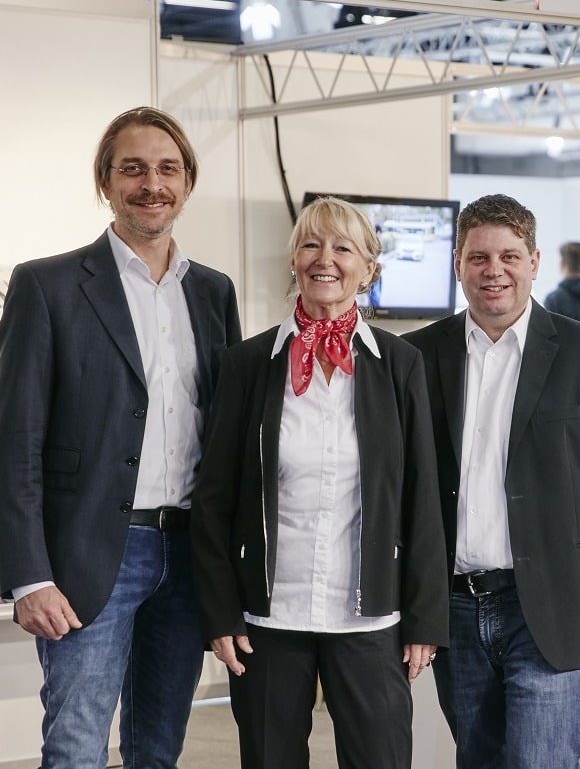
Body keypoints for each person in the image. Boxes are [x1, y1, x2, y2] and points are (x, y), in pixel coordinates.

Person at [0, 106, 242, 769]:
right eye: (132, 169)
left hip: (189, 556)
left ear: (187, 183)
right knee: (75, 749)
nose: (151, 184)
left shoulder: (213, 292)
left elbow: (228, 436)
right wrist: (28, 576)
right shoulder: (47, 285)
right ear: (105, 182)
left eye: (167, 169)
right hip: (90, 555)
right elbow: (15, 445)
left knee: (159, 752)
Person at [190, 196, 449, 769]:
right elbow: (213, 501)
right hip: (267, 617)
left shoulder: (401, 364)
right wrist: (220, 612)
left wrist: (425, 618)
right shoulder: (247, 363)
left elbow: (422, 498)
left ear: (369, 268)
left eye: (342, 248)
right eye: (310, 244)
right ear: (293, 260)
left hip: (370, 617)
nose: (324, 258)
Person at [402, 193, 580, 769]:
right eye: (479, 257)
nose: (494, 271)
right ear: (458, 264)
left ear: (534, 262)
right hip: (457, 611)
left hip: (549, 609)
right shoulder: (418, 355)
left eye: (509, 256)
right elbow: (406, 489)